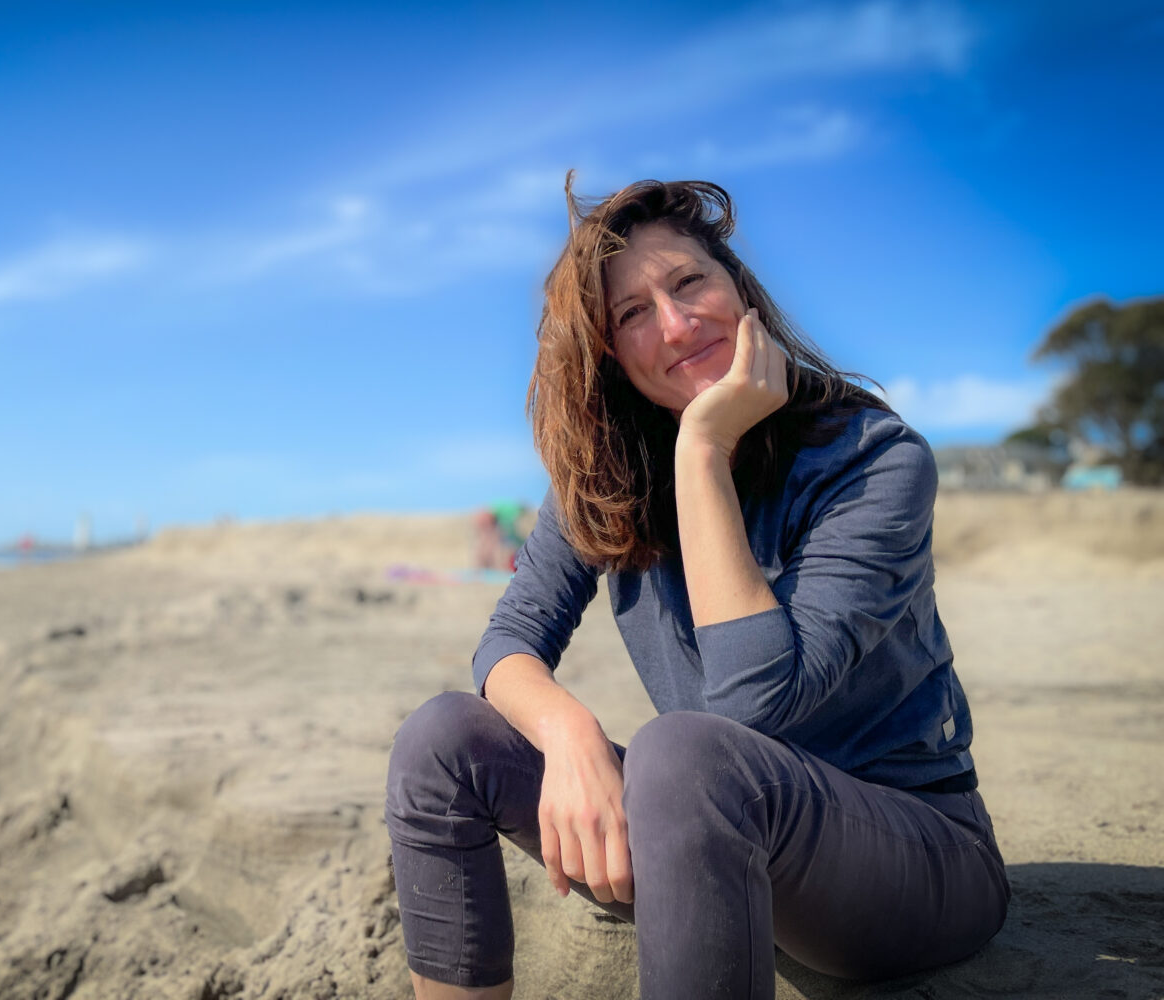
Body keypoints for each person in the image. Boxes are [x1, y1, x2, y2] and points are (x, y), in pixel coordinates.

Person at [384, 178, 1010, 999]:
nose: (676, 325)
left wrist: (703, 450)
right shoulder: (607, 477)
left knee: (679, 753)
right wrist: (569, 735)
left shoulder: (872, 461)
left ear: (738, 289)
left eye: (690, 282)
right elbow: (507, 643)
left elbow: (754, 707)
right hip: (713, 835)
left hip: (915, 860)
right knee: (441, 740)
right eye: (633, 313)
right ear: (610, 352)